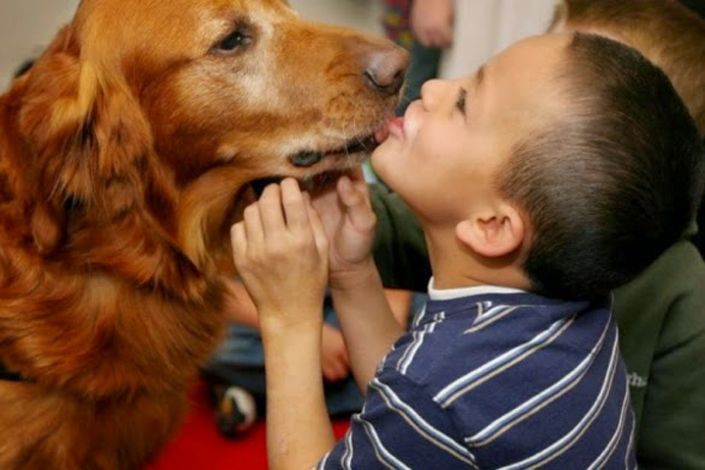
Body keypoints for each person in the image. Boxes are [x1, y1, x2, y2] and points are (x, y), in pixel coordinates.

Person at [230, 33, 703, 468]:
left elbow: (428, 397)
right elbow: (403, 395)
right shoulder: (569, 311)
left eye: (462, 104)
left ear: (492, 226)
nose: (433, 87)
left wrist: (289, 320)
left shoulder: (444, 385)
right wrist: (352, 273)